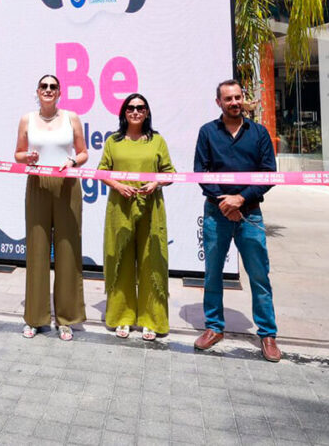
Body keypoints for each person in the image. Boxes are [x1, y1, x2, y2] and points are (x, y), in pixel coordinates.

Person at [193, 80, 281, 362]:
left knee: (258, 275)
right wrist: (224, 201)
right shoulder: (208, 132)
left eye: (238, 97)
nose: (234, 102)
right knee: (213, 274)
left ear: (243, 99)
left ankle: (267, 334)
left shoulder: (259, 133)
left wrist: (241, 199)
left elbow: (269, 174)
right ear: (218, 102)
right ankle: (214, 327)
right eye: (228, 98)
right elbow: (201, 172)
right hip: (216, 214)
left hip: (250, 213)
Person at [14, 74, 89, 341]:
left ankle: (66, 319)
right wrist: (28, 157)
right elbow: (18, 154)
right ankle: (35, 318)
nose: (48, 90)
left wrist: (72, 162)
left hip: (67, 187)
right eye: (44, 86)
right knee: (37, 251)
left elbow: (83, 152)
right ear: (37, 91)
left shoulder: (72, 118)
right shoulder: (27, 119)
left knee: (68, 251)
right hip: (37, 185)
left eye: (53, 87)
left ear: (59, 92)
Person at [98, 93, 175, 341]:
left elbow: (170, 173)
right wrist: (119, 186)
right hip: (120, 208)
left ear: (147, 112)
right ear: (123, 112)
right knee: (120, 260)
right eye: (130, 107)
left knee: (151, 261)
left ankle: (151, 320)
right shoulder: (113, 141)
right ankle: (122, 317)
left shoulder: (157, 141)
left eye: (141, 107)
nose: (135, 111)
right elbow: (102, 171)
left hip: (151, 208)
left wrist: (155, 183)